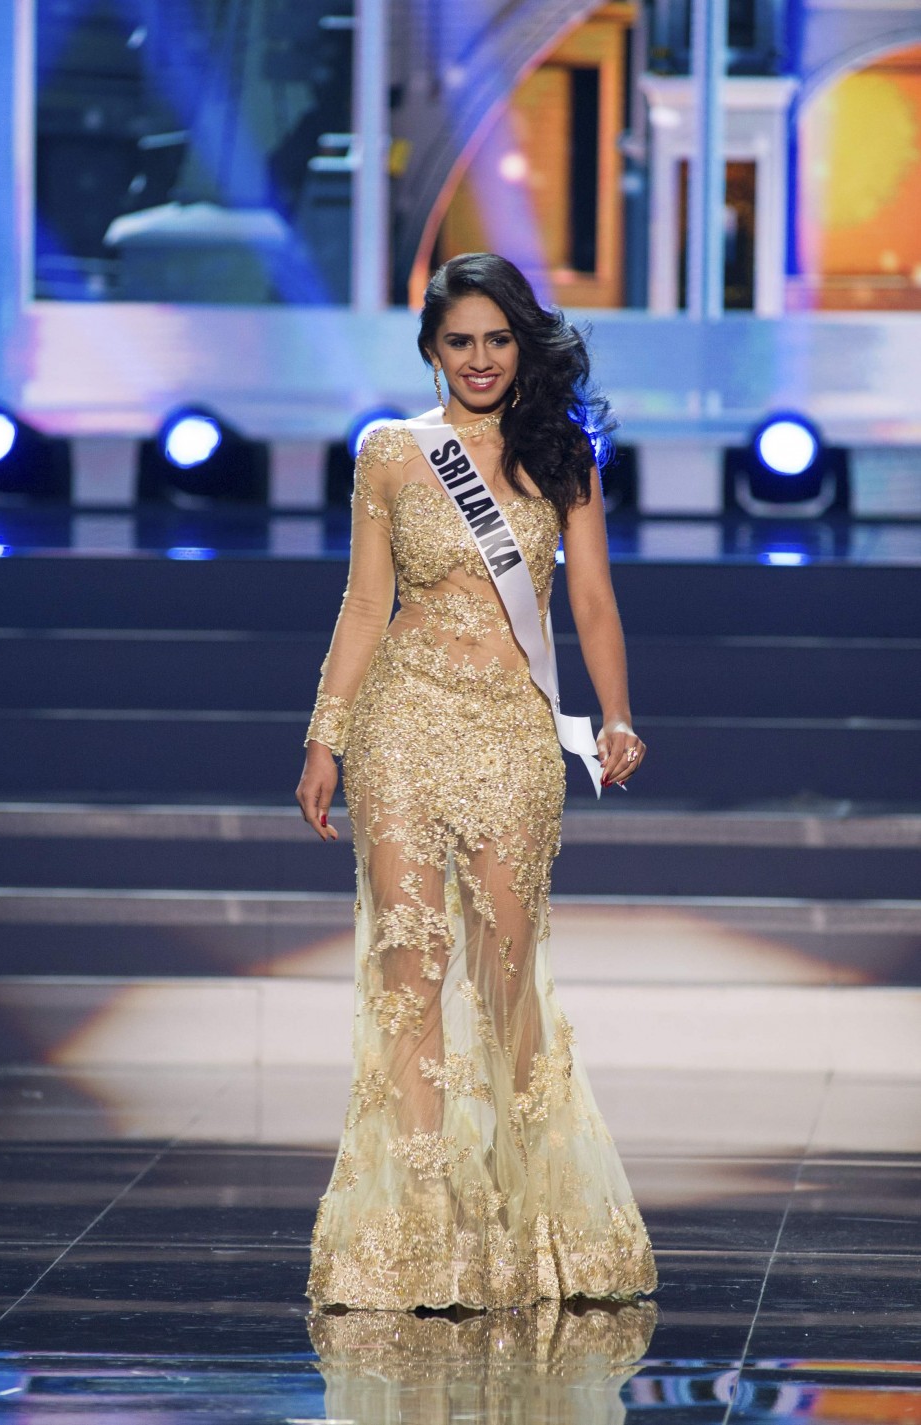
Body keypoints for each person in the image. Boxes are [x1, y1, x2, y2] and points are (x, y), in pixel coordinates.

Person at [296, 252, 657, 1312]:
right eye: (460, 341)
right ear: (430, 349)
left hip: (512, 735)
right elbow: (364, 607)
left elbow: (589, 601)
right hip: (402, 727)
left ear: (522, 343)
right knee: (409, 973)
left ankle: (525, 1229)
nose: (480, 358)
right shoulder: (389, 453)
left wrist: (615, 715)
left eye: (498, 338)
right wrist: (328, 737)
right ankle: (416, 1240)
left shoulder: (562, 452)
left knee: (505, 979)